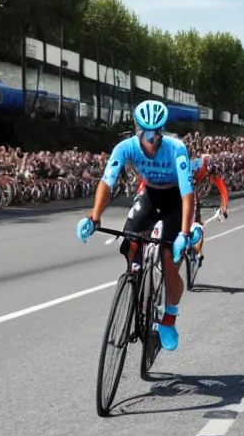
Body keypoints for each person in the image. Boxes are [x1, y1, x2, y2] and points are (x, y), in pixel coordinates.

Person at [77, 100, 196, 352]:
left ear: (162, 130)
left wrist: (184, 233)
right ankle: (137, 277)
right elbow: (107, 182)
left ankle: (169, 318)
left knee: (166, 256)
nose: (150, 139)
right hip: (150, 194)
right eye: (145, 132)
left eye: (155, 132)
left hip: (174, 199)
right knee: (131, 243)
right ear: (137, 129)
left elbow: (188, 194)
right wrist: (94, 217)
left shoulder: (176, 148)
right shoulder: (126, 147)